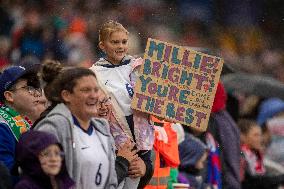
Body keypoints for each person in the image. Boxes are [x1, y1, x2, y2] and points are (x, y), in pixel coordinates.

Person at [90, 20, 154, 188]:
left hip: (141, 132)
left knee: (138, 174)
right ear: (102, 46)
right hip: (114, 136)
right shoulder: (93, 73)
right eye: (114, 42)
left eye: (124, 42)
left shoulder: (139, 67)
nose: (120, 46)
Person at [33, 67, 117, 189]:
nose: (94, 95)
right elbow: (36, 176)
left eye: (96, 90)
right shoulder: (51, 129)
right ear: (66, 95)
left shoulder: (102, 128)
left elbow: (111, 181)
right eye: (86, 90)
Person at [0, 65, 42, 174]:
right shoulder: (2, 127)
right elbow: (6, 175)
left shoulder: (24, 123)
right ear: (9, 96)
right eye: (28, 88)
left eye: (35, 87)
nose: (36, 94)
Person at [95, 89, 139, 185]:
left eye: (106, 100)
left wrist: (141, 167)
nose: (103, 107)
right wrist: (123, 161)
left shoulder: (112, 135)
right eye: (96, 103)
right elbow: (101, 183)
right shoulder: (88, 137)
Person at [238, 119, 284, 189]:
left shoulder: (255, 153)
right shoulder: (241, 155)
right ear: (243, 137)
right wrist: (280, 178)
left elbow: (263, 175)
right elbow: (253, 181)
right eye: (255, 135)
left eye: (260, 134)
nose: (260, 139)